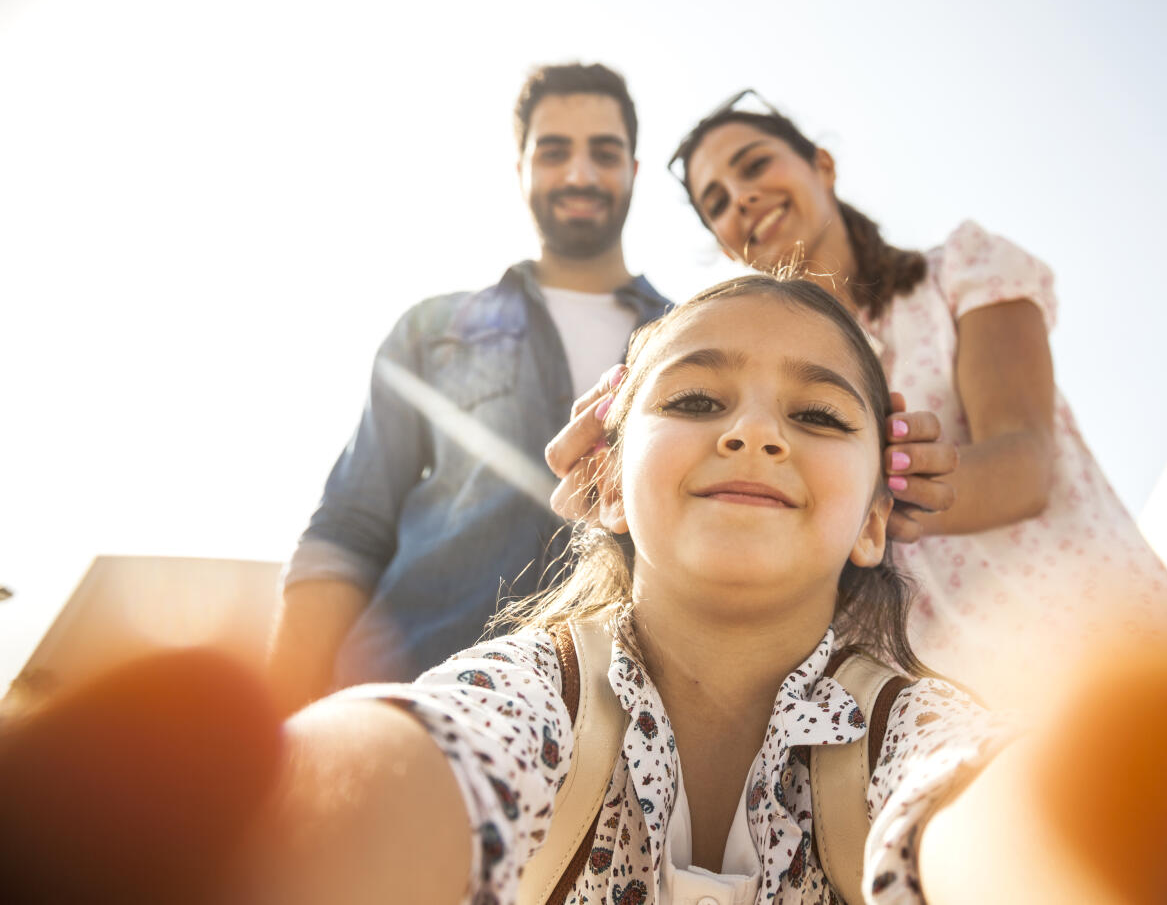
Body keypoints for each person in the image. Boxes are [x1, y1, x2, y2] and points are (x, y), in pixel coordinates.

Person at [239, 276, 1026, 905]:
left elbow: (1002, 817)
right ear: (608, 486)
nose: (753, 432)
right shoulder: (535, 690)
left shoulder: (908, 729)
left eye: (818, 413)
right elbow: (421, 754)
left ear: (874, 519)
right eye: (692, 400)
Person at [656, 91, 1167, 709]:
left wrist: (876, 487)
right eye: (716, 200)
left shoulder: (959, 270)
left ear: (822, 165)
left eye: (753, 165)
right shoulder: (757, 385)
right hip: (932, 701)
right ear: (725, 247)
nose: (740, 197)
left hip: (1095, 640)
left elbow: (1026, 464)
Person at [267, 63, 671, 710]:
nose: (579, 174)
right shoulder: (433, 329)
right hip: (405, 693)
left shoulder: (690, 341)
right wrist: (279, 708)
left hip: (616, 722)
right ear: (520, 169)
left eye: (604, 152)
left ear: (633, 170)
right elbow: (349, 526)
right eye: (554, 151)